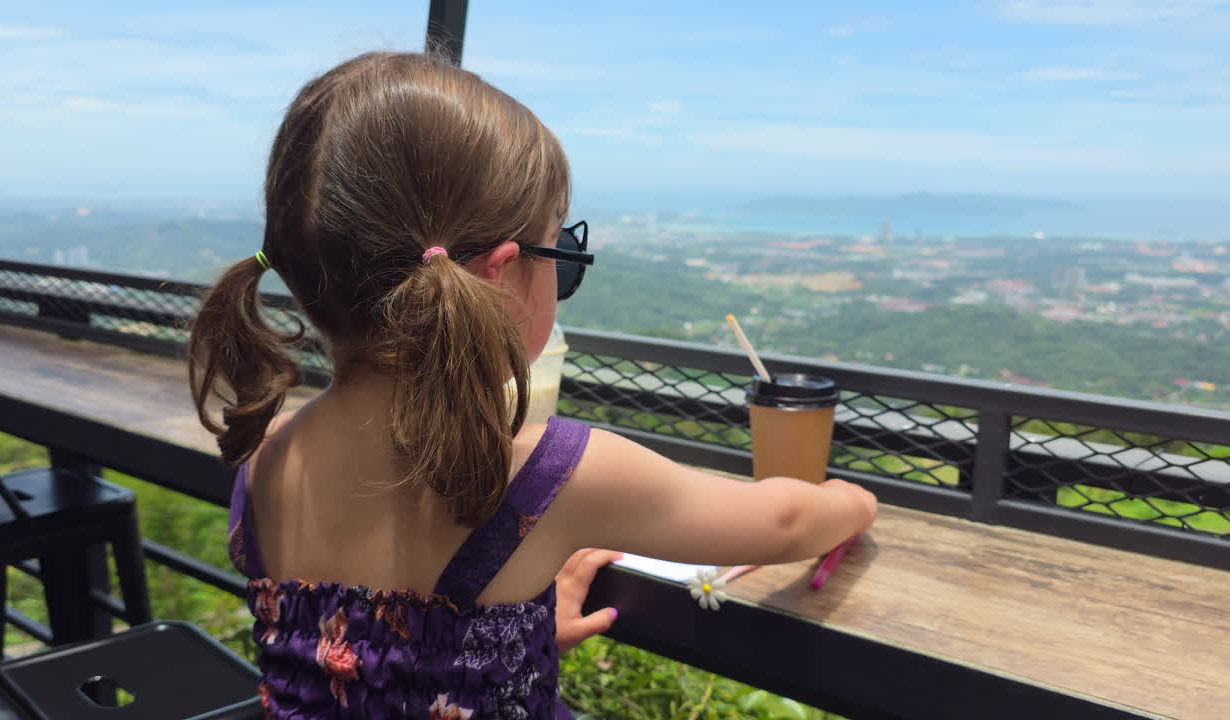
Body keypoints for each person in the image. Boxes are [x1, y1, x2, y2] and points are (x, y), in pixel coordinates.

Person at [188, 50, 877, 720]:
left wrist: (505, 640)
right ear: (502, 273)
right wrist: (852, 502)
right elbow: (784, 521)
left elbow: (372, 667)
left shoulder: (266, 455)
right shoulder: (546, 472)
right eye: (563, 255)